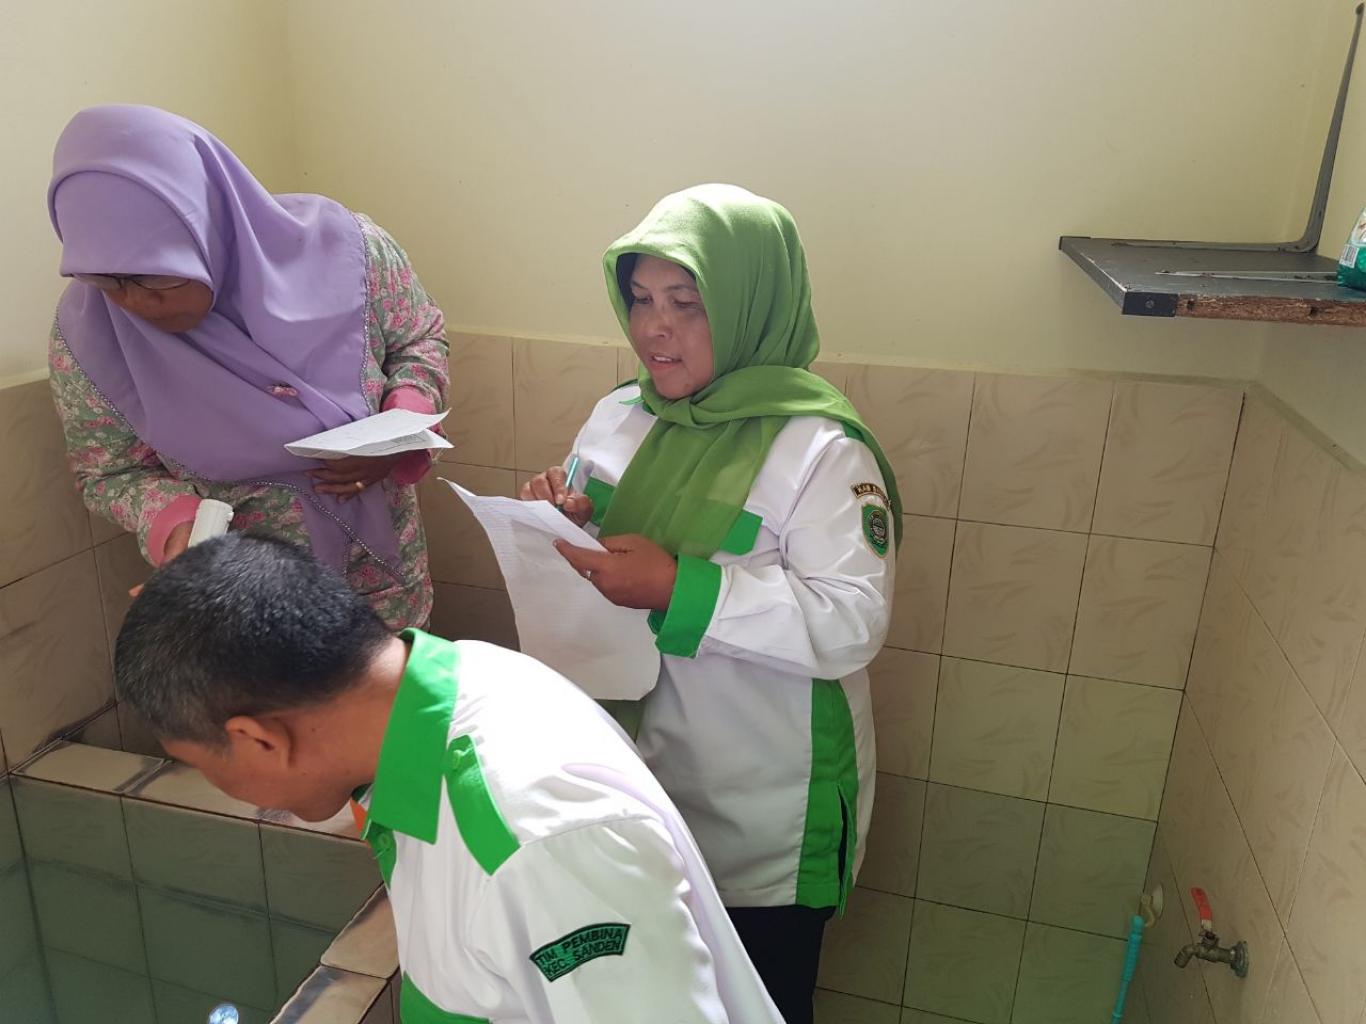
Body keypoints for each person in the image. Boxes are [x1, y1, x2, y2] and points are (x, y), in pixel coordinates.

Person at [114, 534, 784, 1023]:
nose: (222, 789)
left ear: (258, 739)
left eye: (210, 769)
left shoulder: (536, 843)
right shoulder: (458, 677)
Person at [520, 184, 900, 1023]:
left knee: (757, 1003)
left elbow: (850, 622)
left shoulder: (820, 450)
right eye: (641, 300)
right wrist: (560, 515)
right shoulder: (619, 416)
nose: (654, 328)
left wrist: (679, 587)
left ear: (750, 303)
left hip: (763, 809)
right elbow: (598, 557)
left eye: (686, 304)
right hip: (633, 779)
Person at [47, 105, 447, 630]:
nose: (135, 304)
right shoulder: (87, 336)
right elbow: (109, 472)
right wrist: (176, 523)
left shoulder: (351, 251)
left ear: (209, 227)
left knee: (400, 681)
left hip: (383, 573)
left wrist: (399, 431)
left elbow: (418, 338)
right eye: (107, 281)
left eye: (157, 278)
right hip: (242, 601)